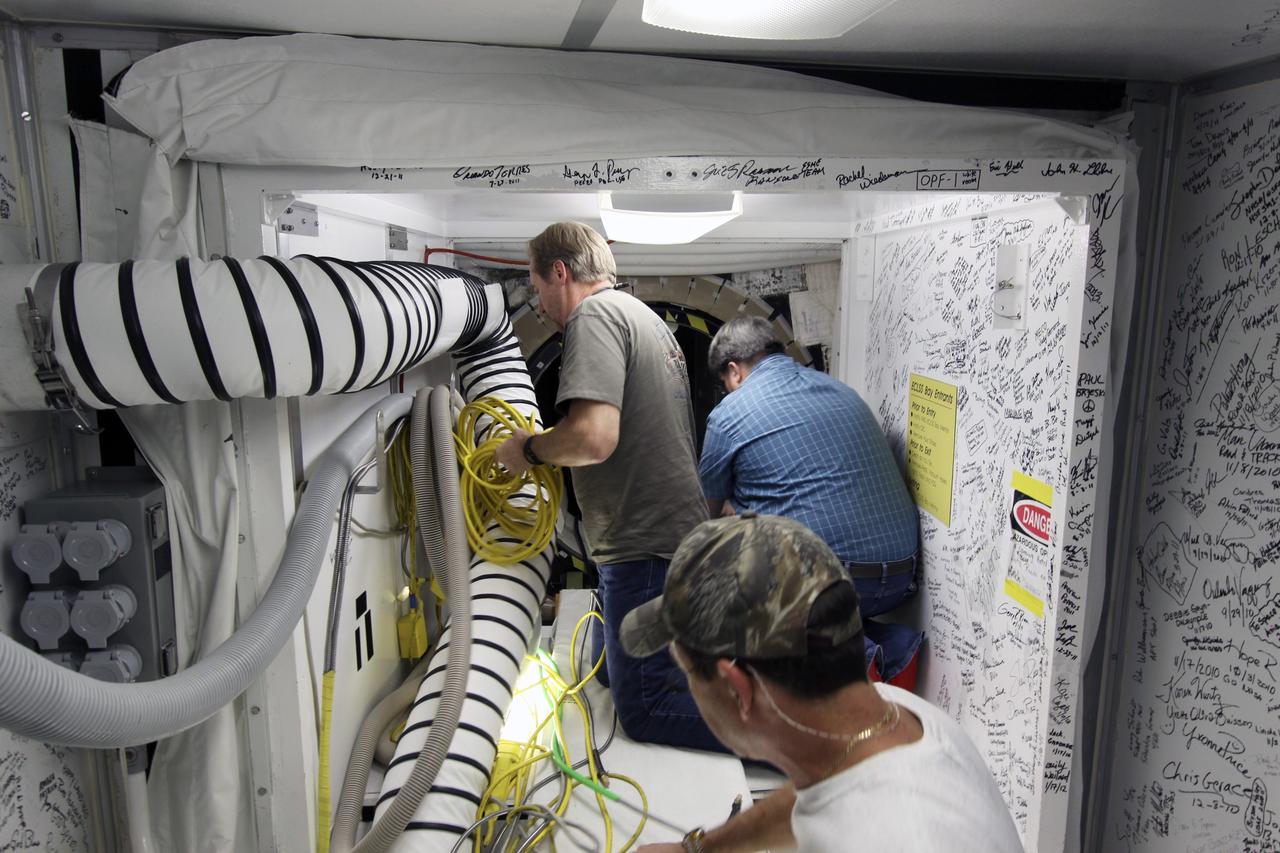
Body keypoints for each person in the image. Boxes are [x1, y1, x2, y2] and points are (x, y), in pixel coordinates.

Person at [622, 513, 1024, 853]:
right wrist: (699, 848)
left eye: (687, 672)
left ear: (735, 687)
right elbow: (811, 793)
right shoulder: (885, 713)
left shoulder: (893, 838)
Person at [495, 221, 719, 751]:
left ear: (560, 271)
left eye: (536, 287)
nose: (540, 304)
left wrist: (526, 450)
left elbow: (593, 439)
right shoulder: (641, 315)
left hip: (643, 547)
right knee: (605, 670)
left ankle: (803, 745)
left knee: (645, 710)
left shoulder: (594, 317)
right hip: (671, 538)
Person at [699, 316, 922, 679]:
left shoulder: (728, 416)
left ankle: (856, 669)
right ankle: (896, 651)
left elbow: (705, 518)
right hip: (901, 575)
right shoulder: (839, 390)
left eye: (726, 384)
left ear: (735, 372)